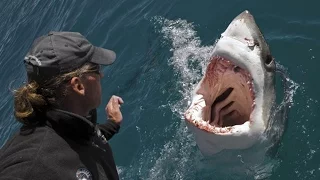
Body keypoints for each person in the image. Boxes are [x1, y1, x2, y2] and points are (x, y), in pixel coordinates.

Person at [0, 31, 124, 180]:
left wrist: (112, 123)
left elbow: (82, 142)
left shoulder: (71, 126)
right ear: (78, 85)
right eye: (96, 69)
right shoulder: (32, 163)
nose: (101, 75)